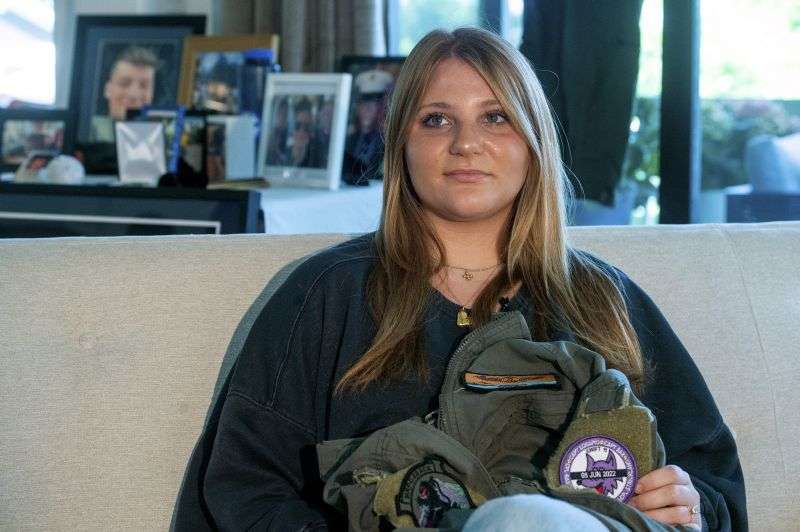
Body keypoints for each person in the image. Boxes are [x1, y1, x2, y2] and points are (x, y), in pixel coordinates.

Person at [173, 27, 746, 531]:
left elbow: (713, 482)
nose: (465, 143)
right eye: (437, 119)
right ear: (403, 144)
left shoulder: (607, 300)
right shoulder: (323, 297)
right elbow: (240, 490)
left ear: (533, 143)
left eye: (495, 117)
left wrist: (690, 504)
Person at [90, 46, 159, 143]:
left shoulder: (160, 141)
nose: (134, 94)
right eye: (124, 83)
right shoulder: (87, 131)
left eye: (144, 85)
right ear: (107, 90)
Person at [342, 68, 394, 184]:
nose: (367, 109)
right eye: (363, 103)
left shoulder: (389, 142)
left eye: (374, 104)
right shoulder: (349, 139)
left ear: (382, 107)